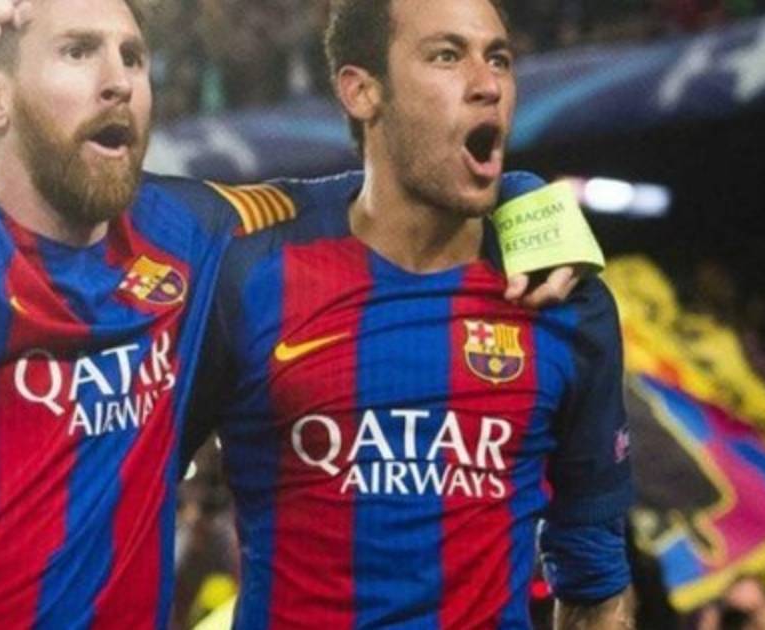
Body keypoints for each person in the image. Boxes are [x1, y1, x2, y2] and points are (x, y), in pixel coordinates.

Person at [0, 0, 586, 625]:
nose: (118, 80)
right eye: (78, 51)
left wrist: (522, 201)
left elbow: (376, 196)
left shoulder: (187, 229)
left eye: (133, 57)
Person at [183, 0, 634, 627]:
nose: (487, 84)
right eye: (447, 56)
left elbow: (596, 581)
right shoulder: (250, 269)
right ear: (361, 90)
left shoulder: (562, 295)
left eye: (499, 58)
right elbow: (127, 486)